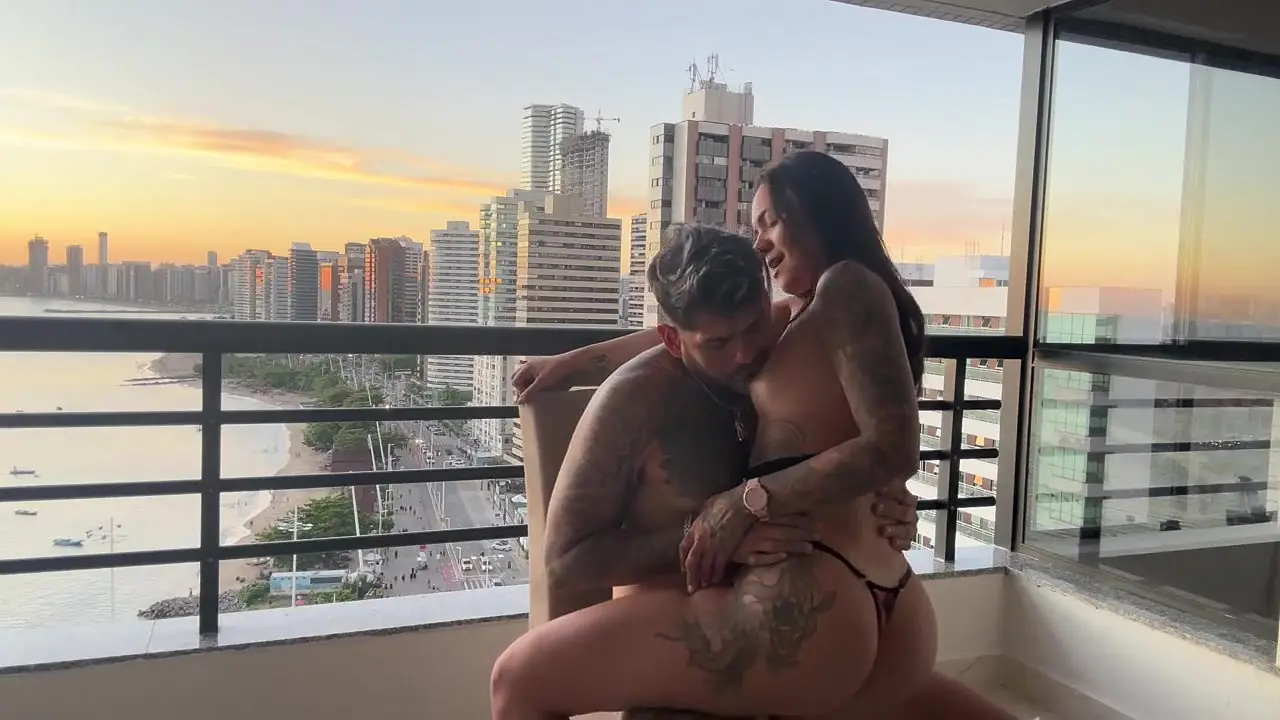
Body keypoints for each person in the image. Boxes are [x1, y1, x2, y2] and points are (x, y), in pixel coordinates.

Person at [492, 151, 1015, 720]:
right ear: (678, 340)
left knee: (517, 680)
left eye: (769, 221)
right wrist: (579, 360)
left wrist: (746, 502)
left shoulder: (839, 289)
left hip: (806, 614)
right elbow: (690, 330)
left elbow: (891, 445)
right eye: (754, 227)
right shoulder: (796, 319)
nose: (744, 354)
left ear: (813, 214)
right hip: (888, 608)